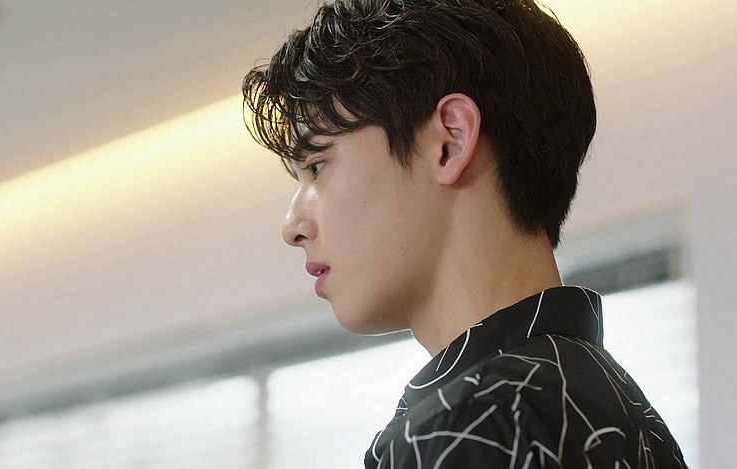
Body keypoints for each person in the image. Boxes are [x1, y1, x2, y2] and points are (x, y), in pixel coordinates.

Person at [242, 0, 688, 467]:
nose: (292, 227)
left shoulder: (465, 425)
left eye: (317, 165)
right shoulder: (625, 410)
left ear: (449, 143)